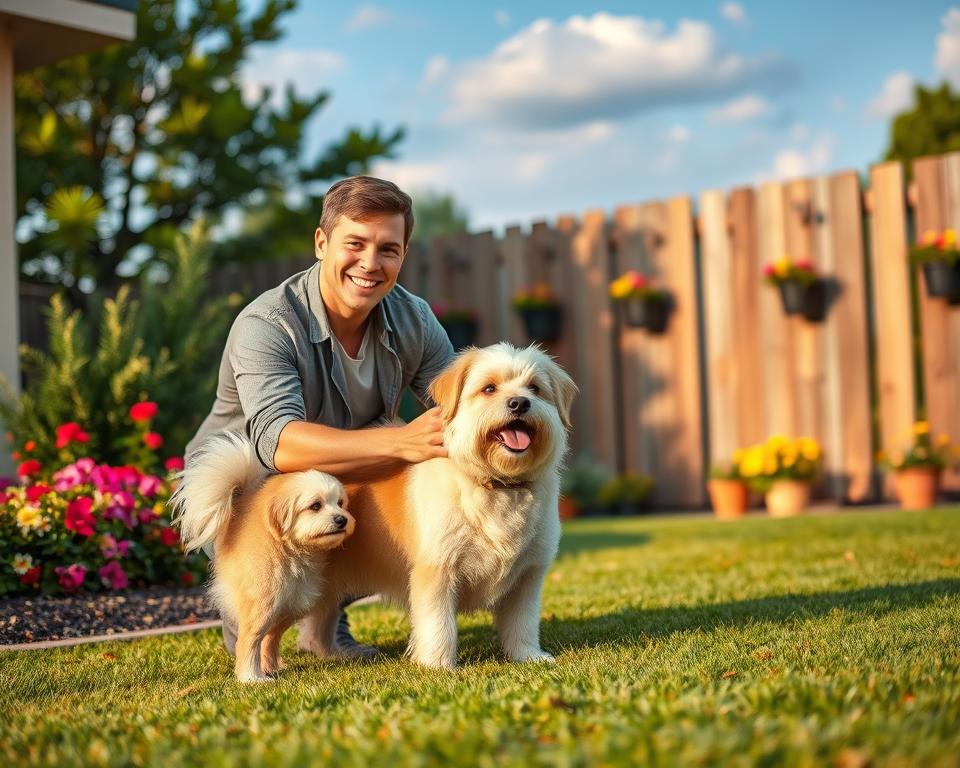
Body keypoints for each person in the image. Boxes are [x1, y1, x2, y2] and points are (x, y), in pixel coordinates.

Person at [185, 175, 455, 656]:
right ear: (321, 242)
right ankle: (259, 618)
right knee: (262, 623)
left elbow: (456, 408)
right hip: (247, 492)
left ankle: (325, 628)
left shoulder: (415, 320)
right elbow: (278, 444)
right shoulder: (267, 325)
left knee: (376, 500)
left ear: (403, 255)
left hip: (339, 482)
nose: (370, 264)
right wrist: (400, 443)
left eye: (388, 249)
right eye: (355, 243)